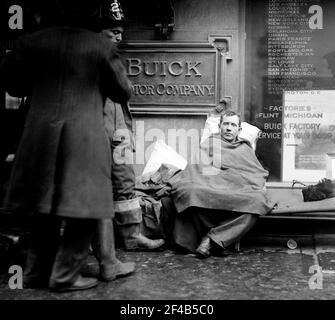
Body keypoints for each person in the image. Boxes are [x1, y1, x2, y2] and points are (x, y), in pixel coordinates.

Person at [0, 0, 134, 291]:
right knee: (86, 207)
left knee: (43, 207)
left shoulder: (30, 42)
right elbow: (123, 92)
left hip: (38, 136)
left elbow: (13, 86)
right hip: (84, 137)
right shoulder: (99, 46)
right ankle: (64, 276)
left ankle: (36, 273)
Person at [91, 0, 164, 276]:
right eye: (113, 31)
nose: (119, 36)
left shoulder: (111, 56)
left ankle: (132, 236)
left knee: (124, 179)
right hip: (96, 127)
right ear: (98, 32)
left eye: (121, 31)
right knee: (95, 187)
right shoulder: (90, 56)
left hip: (117, 121)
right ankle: (92, 246)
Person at [165, 110, 274, 258]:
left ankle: (211, 239)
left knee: (258, 201)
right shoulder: (209, 143)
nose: (229, 128)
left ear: (239, 130)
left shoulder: (245, 148)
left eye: (233, 125)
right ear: (220, 126)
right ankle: (214, 238)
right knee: (190, 191)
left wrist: (238, 180)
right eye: (226, 124)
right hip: (210, 187)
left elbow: (255, 173)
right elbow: (196, 168)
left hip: (235, 190)